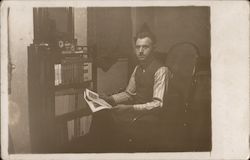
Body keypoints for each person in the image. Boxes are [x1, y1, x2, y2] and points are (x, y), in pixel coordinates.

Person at [65, 24, 171, 153]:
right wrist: (110, 99)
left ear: (153, 48)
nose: (141, 51)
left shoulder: (161, 70)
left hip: (149, 117)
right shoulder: (138, 68)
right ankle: (96, 148)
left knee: (108, 122)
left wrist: (130, 108)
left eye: (145, 47)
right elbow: (128, 94)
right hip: (135, 111)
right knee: (101, 114)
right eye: (138, 47)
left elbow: (158, 104)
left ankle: (100, 149)